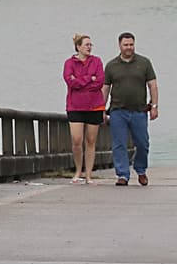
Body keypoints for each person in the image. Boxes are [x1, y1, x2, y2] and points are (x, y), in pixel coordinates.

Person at [101, 32, 158, 186]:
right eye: (126, 45)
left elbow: (152, 85)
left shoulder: (144, 63)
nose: (129, 48)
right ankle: (122, 174)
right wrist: (101, 109)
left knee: (143, 143)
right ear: (120, 45)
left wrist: (154, 106)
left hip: (139, 110)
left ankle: (140, 170)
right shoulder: (111, 65)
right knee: (119, 143)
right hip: (118, 110)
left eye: (131, 45)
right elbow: (105, 88)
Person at [62, 33, 105, 183]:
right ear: (78, 47)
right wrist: (88, 78)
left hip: (94, 106)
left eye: (90, 45)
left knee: (91, 140)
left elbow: (99, 82)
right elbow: (70, 82)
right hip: (75, 106)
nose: (89, 47)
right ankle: (78, 170)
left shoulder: (97, 61)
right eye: (86, 45)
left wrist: (81, 81)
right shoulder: (69, 63)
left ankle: (88, 174)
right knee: (76, 139)